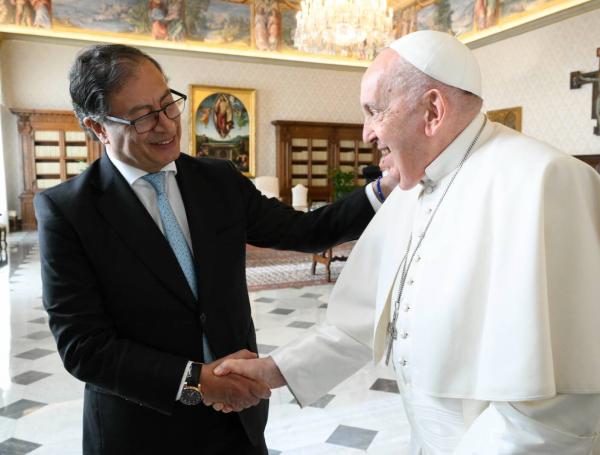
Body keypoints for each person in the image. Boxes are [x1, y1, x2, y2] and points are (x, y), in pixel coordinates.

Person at [214, 30, 600, 453]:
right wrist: (275, 369)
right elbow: (359, 323)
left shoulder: (544, 180)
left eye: (374, 112)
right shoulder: (411, 185)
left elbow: (563, 406)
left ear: (432, 110)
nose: (366, 134)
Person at [34, 44, 396, 454]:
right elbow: (84, 347)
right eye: (141, 117)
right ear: (98, 127)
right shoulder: (69, 211)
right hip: (142, 430)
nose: (166, 124)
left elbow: (305, 230)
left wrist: (383, 190)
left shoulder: (217, 180)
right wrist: (195, 381)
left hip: (236, 420)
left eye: (168, 103)